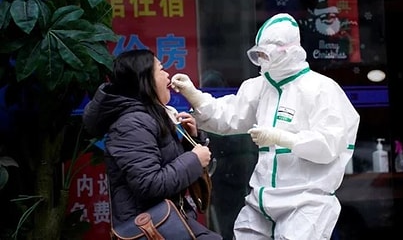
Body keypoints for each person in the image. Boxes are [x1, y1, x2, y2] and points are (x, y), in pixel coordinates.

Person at [170, 13, 360, 240]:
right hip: (260, 202)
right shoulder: (260, 87)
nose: (262, 60)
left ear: (287, 51)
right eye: (258, 54)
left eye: (266, 54)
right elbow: (229, 116)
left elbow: (330, 144)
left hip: (304, 203)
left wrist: (283, 138)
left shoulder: (321, 89)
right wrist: (194, 95)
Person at [82, 49, 222, 240]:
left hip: (169, 223)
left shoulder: (150, 116)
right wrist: (194, 159)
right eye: (161, 69)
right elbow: (149, 184)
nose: (167, 75)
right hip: (150, 229)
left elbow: (170, 170)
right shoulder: (131, 124)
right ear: (144, 79)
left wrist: (192, 141)